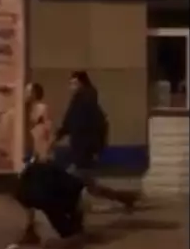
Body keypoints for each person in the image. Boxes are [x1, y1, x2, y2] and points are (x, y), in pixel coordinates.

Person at [9, 82, 84, 249]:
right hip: (35, 157)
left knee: (35, 193)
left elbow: (47, 131)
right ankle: (32, 229)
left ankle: (61, 226)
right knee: (28, 193)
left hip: (42, 157)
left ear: (35, 93)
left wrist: (45, 152)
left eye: (28, 91)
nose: (25, 94)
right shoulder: (29, 111)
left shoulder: (41, 109)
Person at [56, 71, 139, 211]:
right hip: (81, 149)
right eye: (70, 83)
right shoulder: (79, 102)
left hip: (84, 150)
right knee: (91, 187)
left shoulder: (86, 103)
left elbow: (90, 126)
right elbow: (70, 123)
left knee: (72, 179)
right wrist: (59, 135)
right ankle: (125, 198)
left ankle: (72, 209)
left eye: (74, 83)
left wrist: (96, 148)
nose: (71, 86)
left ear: (81, 84)